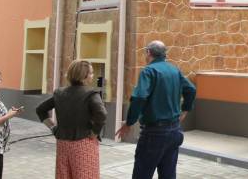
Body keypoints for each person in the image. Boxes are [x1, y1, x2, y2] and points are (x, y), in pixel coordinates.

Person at [115, 40, 196, 179]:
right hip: (174, 132)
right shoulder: (174, 70)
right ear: (165, 54)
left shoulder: (149, 71)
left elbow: (139, 97)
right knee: (168, 175)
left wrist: (129, 123)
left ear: (148, 52)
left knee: (142, 174)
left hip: (154, 134)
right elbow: (191, 89)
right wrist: (185, 110)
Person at [36, 60, 107, 179]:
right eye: (91, 73)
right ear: (84, 76)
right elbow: (102, 114)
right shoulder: (90, 94)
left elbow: (40, 109)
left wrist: (53, 127)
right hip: (84, 144)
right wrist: (95, 132)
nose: (92, 75)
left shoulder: (60, 93)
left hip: (63, 144)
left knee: (64, 175)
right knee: (85, 175)